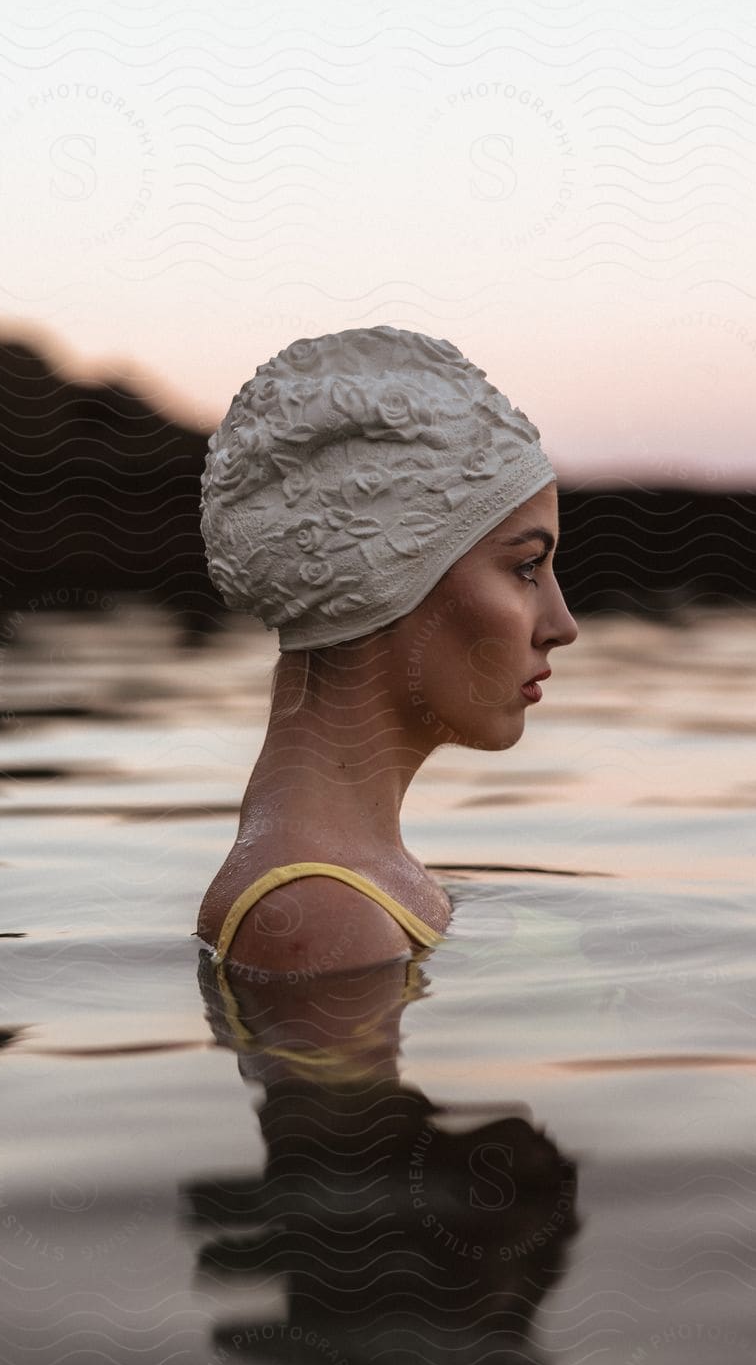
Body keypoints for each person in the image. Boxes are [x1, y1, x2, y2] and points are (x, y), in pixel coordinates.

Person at [194, 324, 578, 981]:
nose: (561, 624)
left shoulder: (352, 887)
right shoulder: (320, 920)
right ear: (390, 574)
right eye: (525, 567)